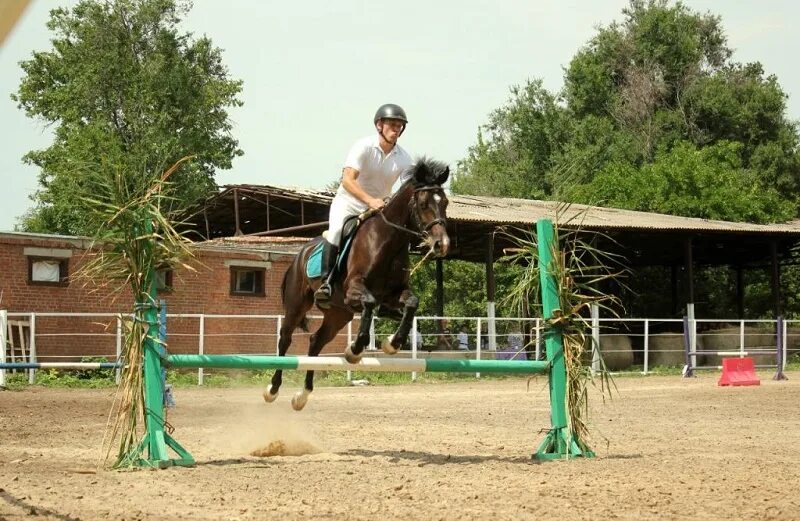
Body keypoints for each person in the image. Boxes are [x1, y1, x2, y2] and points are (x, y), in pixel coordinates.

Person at [314, 103, 414, 308]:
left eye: (400, 126)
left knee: (396, 239)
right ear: (379, 125)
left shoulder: (404, 158)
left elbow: (409, 188)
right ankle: (327, 282)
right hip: (349, 203)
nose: (397, 129)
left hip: (379, 211)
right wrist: (370, 200)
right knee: (335, 232)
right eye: (393, 125)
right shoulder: (363, 146)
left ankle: (391, 292)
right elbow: (347, 180)